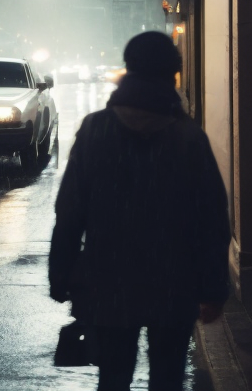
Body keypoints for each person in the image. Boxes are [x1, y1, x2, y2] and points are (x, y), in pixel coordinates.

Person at [49, 31, 231, 391]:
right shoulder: (187, 137)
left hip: (109, 278)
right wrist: (213, 288)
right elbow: (211, 218)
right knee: (167, 376)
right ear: (173, 75)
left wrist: (61, 273)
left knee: (113, 376)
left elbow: (70, 211)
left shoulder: (96, 130)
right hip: (174, 280)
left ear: (128, 68)